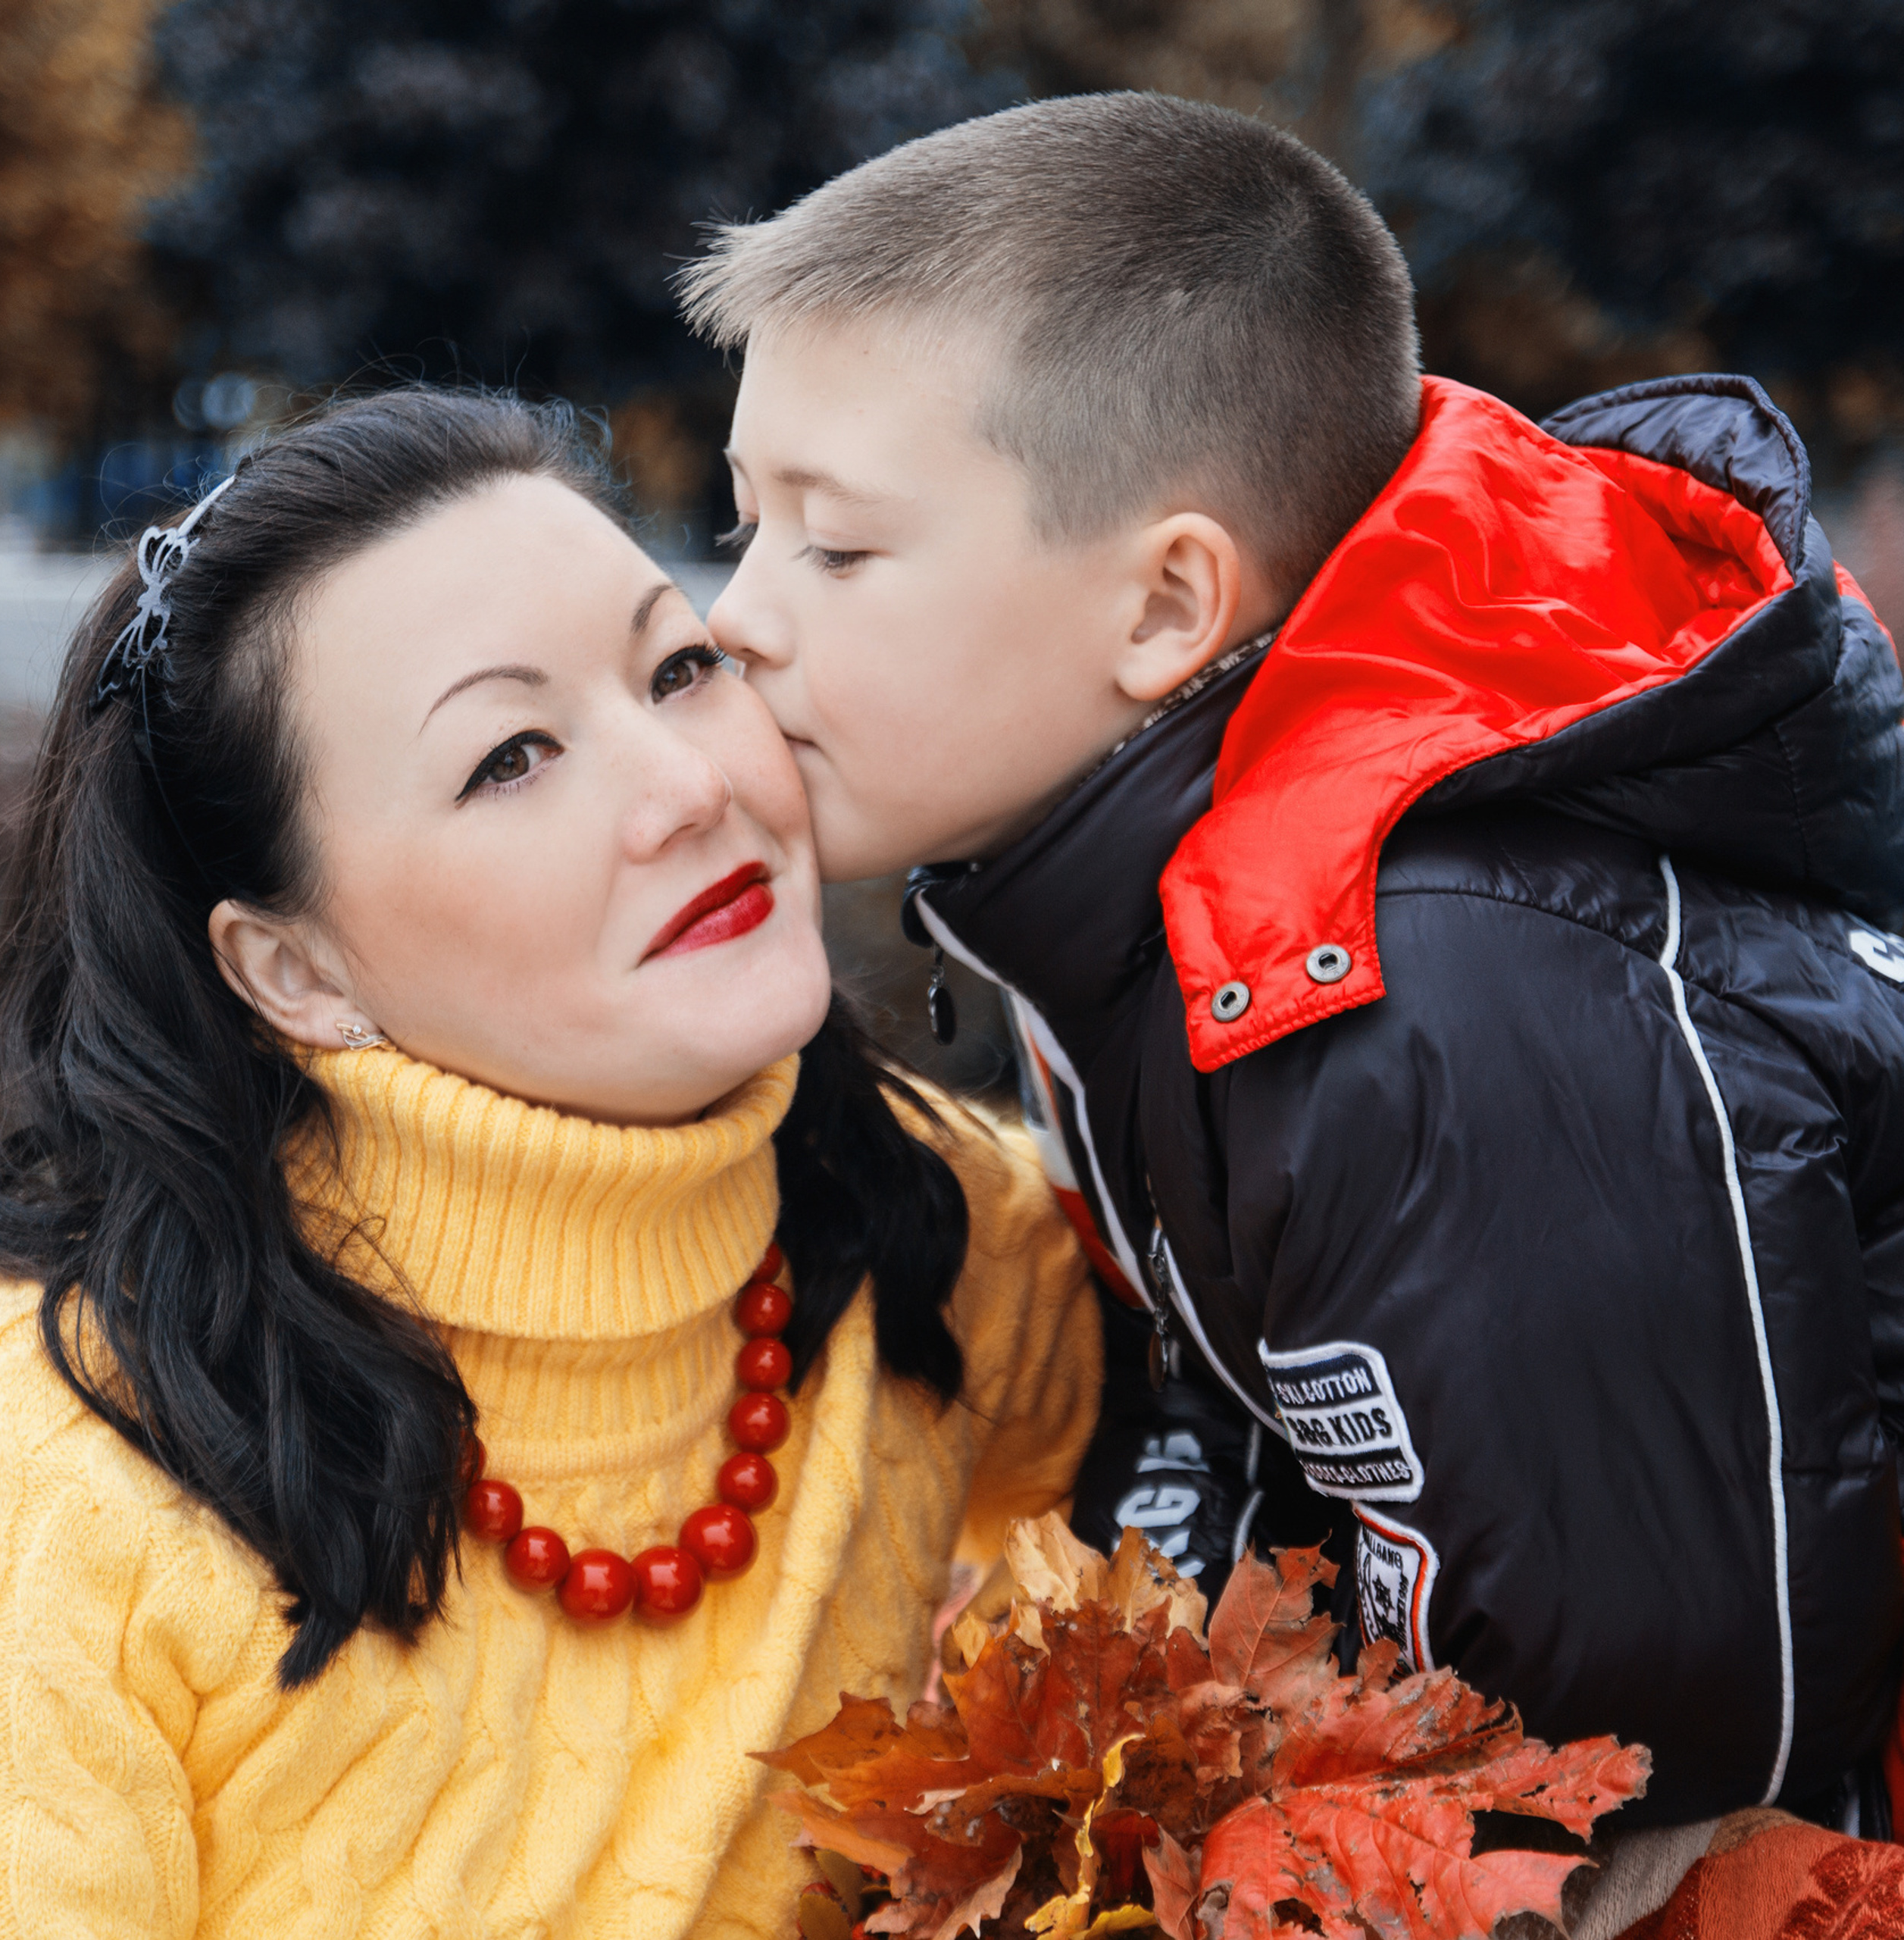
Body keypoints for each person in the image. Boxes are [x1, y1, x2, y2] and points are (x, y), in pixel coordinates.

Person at [683, 91, 1904, 1835]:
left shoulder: (1428, 1009)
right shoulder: (1126, 878)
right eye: (741, 522)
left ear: (1167, 608)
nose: (736, 614)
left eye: (836, 543)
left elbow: (1645, 1753)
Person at [0, 388, 1100, 1938]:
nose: (689, 785)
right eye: (511, 756)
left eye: (680, 666)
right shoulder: (39, 1476)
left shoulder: (934, 1224)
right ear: (289, 967)